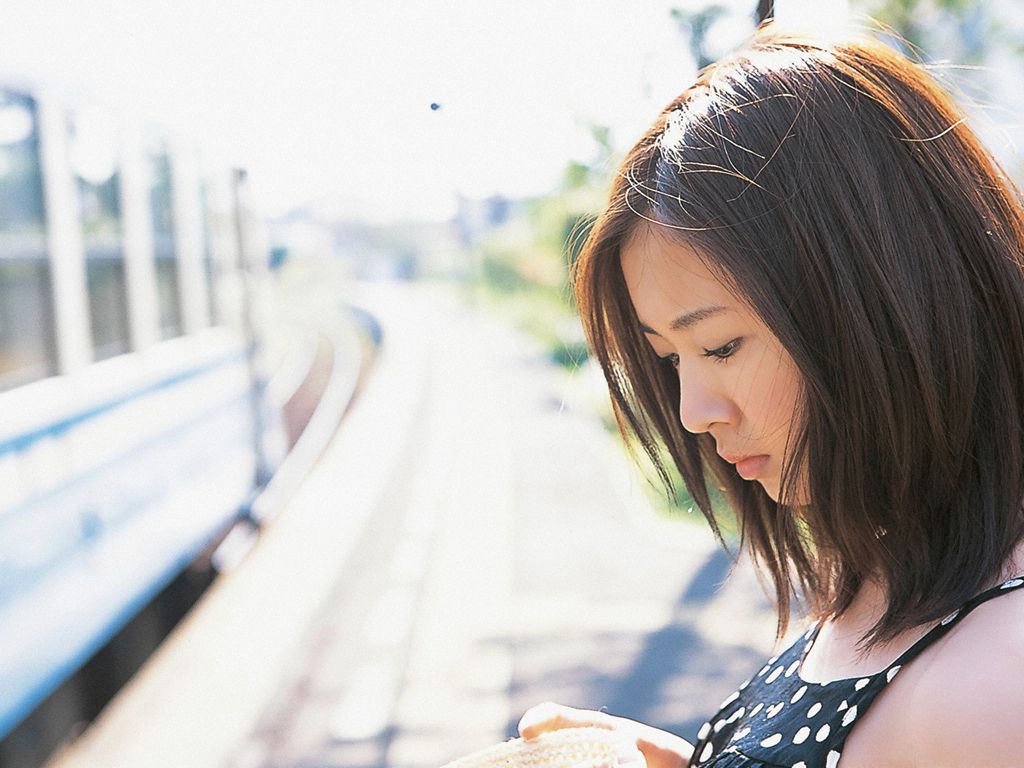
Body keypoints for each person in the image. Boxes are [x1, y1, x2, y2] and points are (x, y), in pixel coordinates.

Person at [517, 24, 1024, 768]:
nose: (694, 413)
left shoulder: (994, 687)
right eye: (671, 360)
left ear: (881, 300)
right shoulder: (891, 569)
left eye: (721, 346)